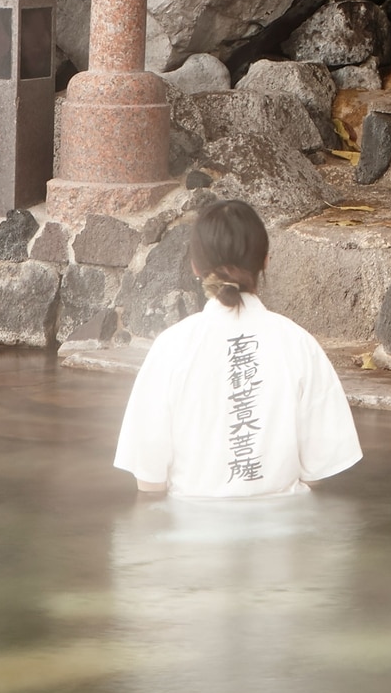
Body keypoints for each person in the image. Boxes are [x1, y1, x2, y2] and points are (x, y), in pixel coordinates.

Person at [113, 199, 362, 498]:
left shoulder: (171, 348)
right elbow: (320, 469)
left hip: (190, 536)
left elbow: (150, 483)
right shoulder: (298, 344)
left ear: (195, 266)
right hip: (285, 535)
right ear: (266, 260)